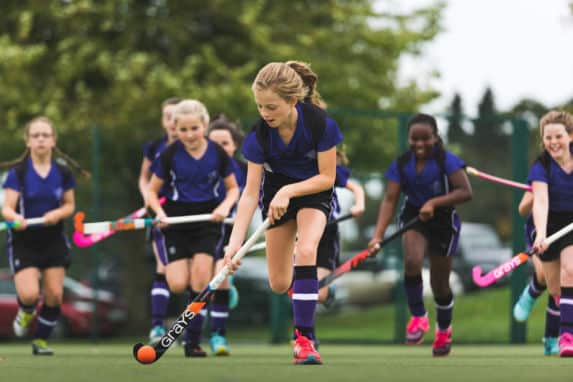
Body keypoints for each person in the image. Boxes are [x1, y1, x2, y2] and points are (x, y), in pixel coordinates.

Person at [224, 61, 343, 365]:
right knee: (279, 283)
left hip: (313, 192)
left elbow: (327, 177)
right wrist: (234, 244)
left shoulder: (320, 124)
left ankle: (304, 339)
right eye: (261, 106)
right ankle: (303, 283)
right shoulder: (259, 136)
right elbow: (250, 193)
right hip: (275, 196)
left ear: (292, 101)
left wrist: (288, 191)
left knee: (306, 250)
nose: (265, 113)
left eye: (271, 107)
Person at [367, 113, 472, 357]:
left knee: (440, 284)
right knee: (412, 261)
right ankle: (418, 316)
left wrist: (435, 202)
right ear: (409, 139)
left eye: (426, 138)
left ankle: (444, 331)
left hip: (444, 221)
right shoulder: (402, 163)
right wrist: (377, 236)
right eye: (415, 139)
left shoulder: (447, 160)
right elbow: (390, 199)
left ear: (435, 138)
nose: (420, 144)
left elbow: (465, 192)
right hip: (414, 215)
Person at [146, 99, 239, 357]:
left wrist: (224, 208)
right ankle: (192, 315)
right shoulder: (169, 154)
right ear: (175, 128)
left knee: (200, 282)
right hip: (176, 220)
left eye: (194, 129)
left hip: (207, 220)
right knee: (177, 284)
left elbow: (233, 188)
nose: (189, 135)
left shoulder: (217, 153)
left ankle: (192, 342)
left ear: (204, 125)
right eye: (183, 130)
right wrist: (160, 213)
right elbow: (152, 192)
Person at [1, 117, 87, 355]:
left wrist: (57, 213)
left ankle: (40, 342)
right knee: (29, 294)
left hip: (53, 239)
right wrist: (14, 218)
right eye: (36, 135)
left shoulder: (62, 171)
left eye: (45, 135)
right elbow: (7, 207)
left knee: (55, 295)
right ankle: (26, 312)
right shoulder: (17, 173)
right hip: (24, 240)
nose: (41, 139)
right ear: (28, 141)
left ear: (53, 140)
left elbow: (70, 205)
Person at [528, 110, 573, 357]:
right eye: (548, 138)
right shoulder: (541, 165)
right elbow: (541, 202)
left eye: (558, 136)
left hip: (572, 225)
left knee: (571, 271)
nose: (553, 142)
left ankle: (567, 338)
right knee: (555, 290)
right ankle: (560, 329)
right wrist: (541, 234)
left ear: (570, 137)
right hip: (551, 224)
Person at [138, 97, 181, 344]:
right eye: (169, 118)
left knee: (189, 274)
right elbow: (144, 179)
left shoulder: (199, 148)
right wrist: (148, 198)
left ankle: (189, 330)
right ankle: (156, 326)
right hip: (161, 214)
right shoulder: (155, 148)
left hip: (189, 215)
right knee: (163, 267)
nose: (173, 123)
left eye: (178, 118)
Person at [206, 114, 247, 355]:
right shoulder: (199, 168)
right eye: (214, 144)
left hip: (230, 230)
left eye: (225, 144)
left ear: (234, 146)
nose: (219, 149)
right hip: (201, 230)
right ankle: (192, 334)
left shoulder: (244, 170)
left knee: (220, 278)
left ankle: (218, 336)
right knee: (200, 281)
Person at [513, 191, 559, 355]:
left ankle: (551, 338)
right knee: (543, 276)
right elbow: (522, 209)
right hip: (540, 230)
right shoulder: (542, 172)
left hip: (565, 229)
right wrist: (536, 195)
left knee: (561, 283)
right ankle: (531, 293)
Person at [317, 148, 365, 306]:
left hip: (327, 233)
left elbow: (357, 189)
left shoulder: (330, 170)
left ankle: (330, 290)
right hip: (301, 233)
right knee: (300, 292)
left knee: (319, 294)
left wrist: (359, 204)